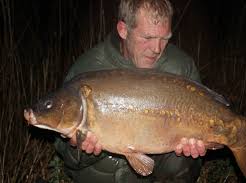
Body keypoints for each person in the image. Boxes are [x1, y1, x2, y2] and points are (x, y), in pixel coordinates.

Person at [54, 0, 206, 182]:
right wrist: (77, 146)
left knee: (180, 162)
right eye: (148, 38)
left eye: (165, 38)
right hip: (103, 174)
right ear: (123, 30)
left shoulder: (181, 67)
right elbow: (65, 154)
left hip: (155, 166)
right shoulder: (88, 69)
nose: (157, 49)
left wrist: (197, 144)